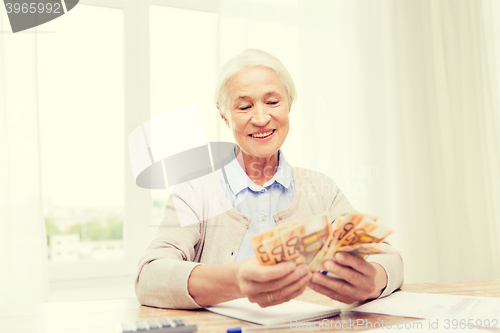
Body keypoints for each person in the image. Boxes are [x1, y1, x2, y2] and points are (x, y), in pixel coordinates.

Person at [135, 49, 404, 309]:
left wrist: (373, 281)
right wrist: (236, 279)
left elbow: (389, 258)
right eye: (244, 106)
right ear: (224, 116)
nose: (262, 118)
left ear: (289, 105)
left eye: (273, 102)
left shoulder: (321, 189)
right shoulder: (194, 192)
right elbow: (149, 276)